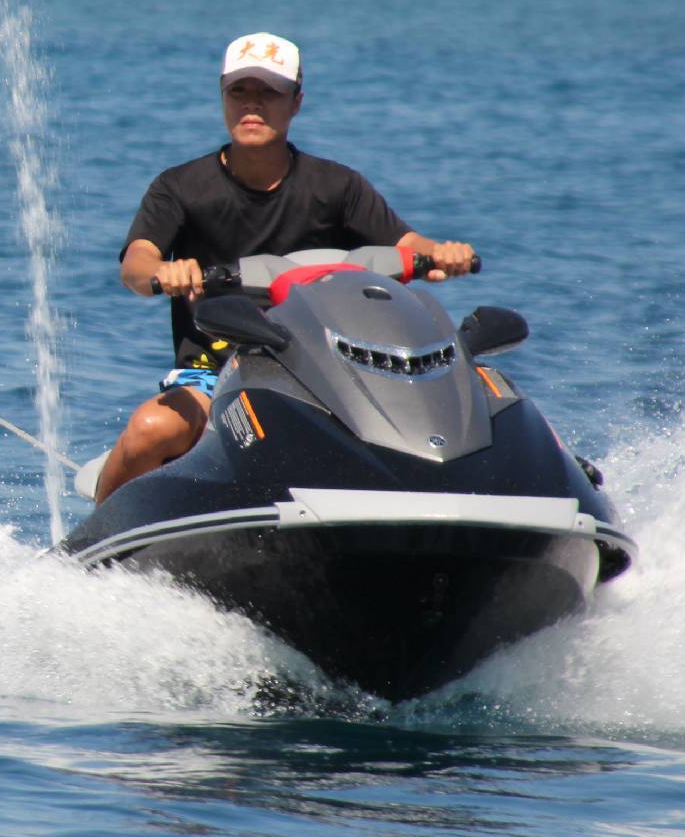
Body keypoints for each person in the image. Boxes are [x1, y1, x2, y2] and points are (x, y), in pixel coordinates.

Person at [92, 31, 475, 505]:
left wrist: (445, 253)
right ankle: (85, 548)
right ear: (223, 97)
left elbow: (408, 243)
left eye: (268, 93)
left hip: (325, 369)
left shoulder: (337, 186)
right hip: (214, 367)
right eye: (240, 92)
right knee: (151, 429)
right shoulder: (179, 187)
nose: (252, 105)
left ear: (296, 101)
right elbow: (137, 261)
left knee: (481, 387)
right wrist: (162, 272)